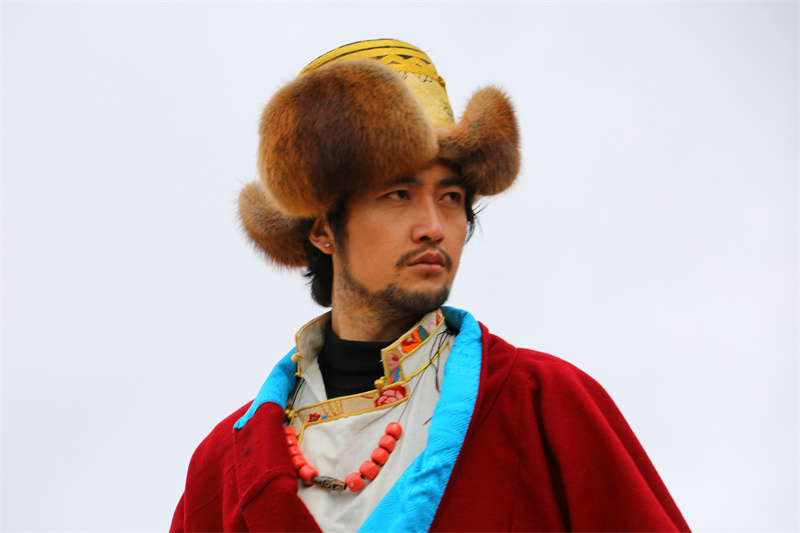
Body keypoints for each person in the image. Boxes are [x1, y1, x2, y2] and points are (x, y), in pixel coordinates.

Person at [170, 39, 690, 533]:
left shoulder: (544, 402)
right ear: (324, 229)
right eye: (399, 194)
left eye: (451, 197)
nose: (434, 227)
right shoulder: (218, 471)